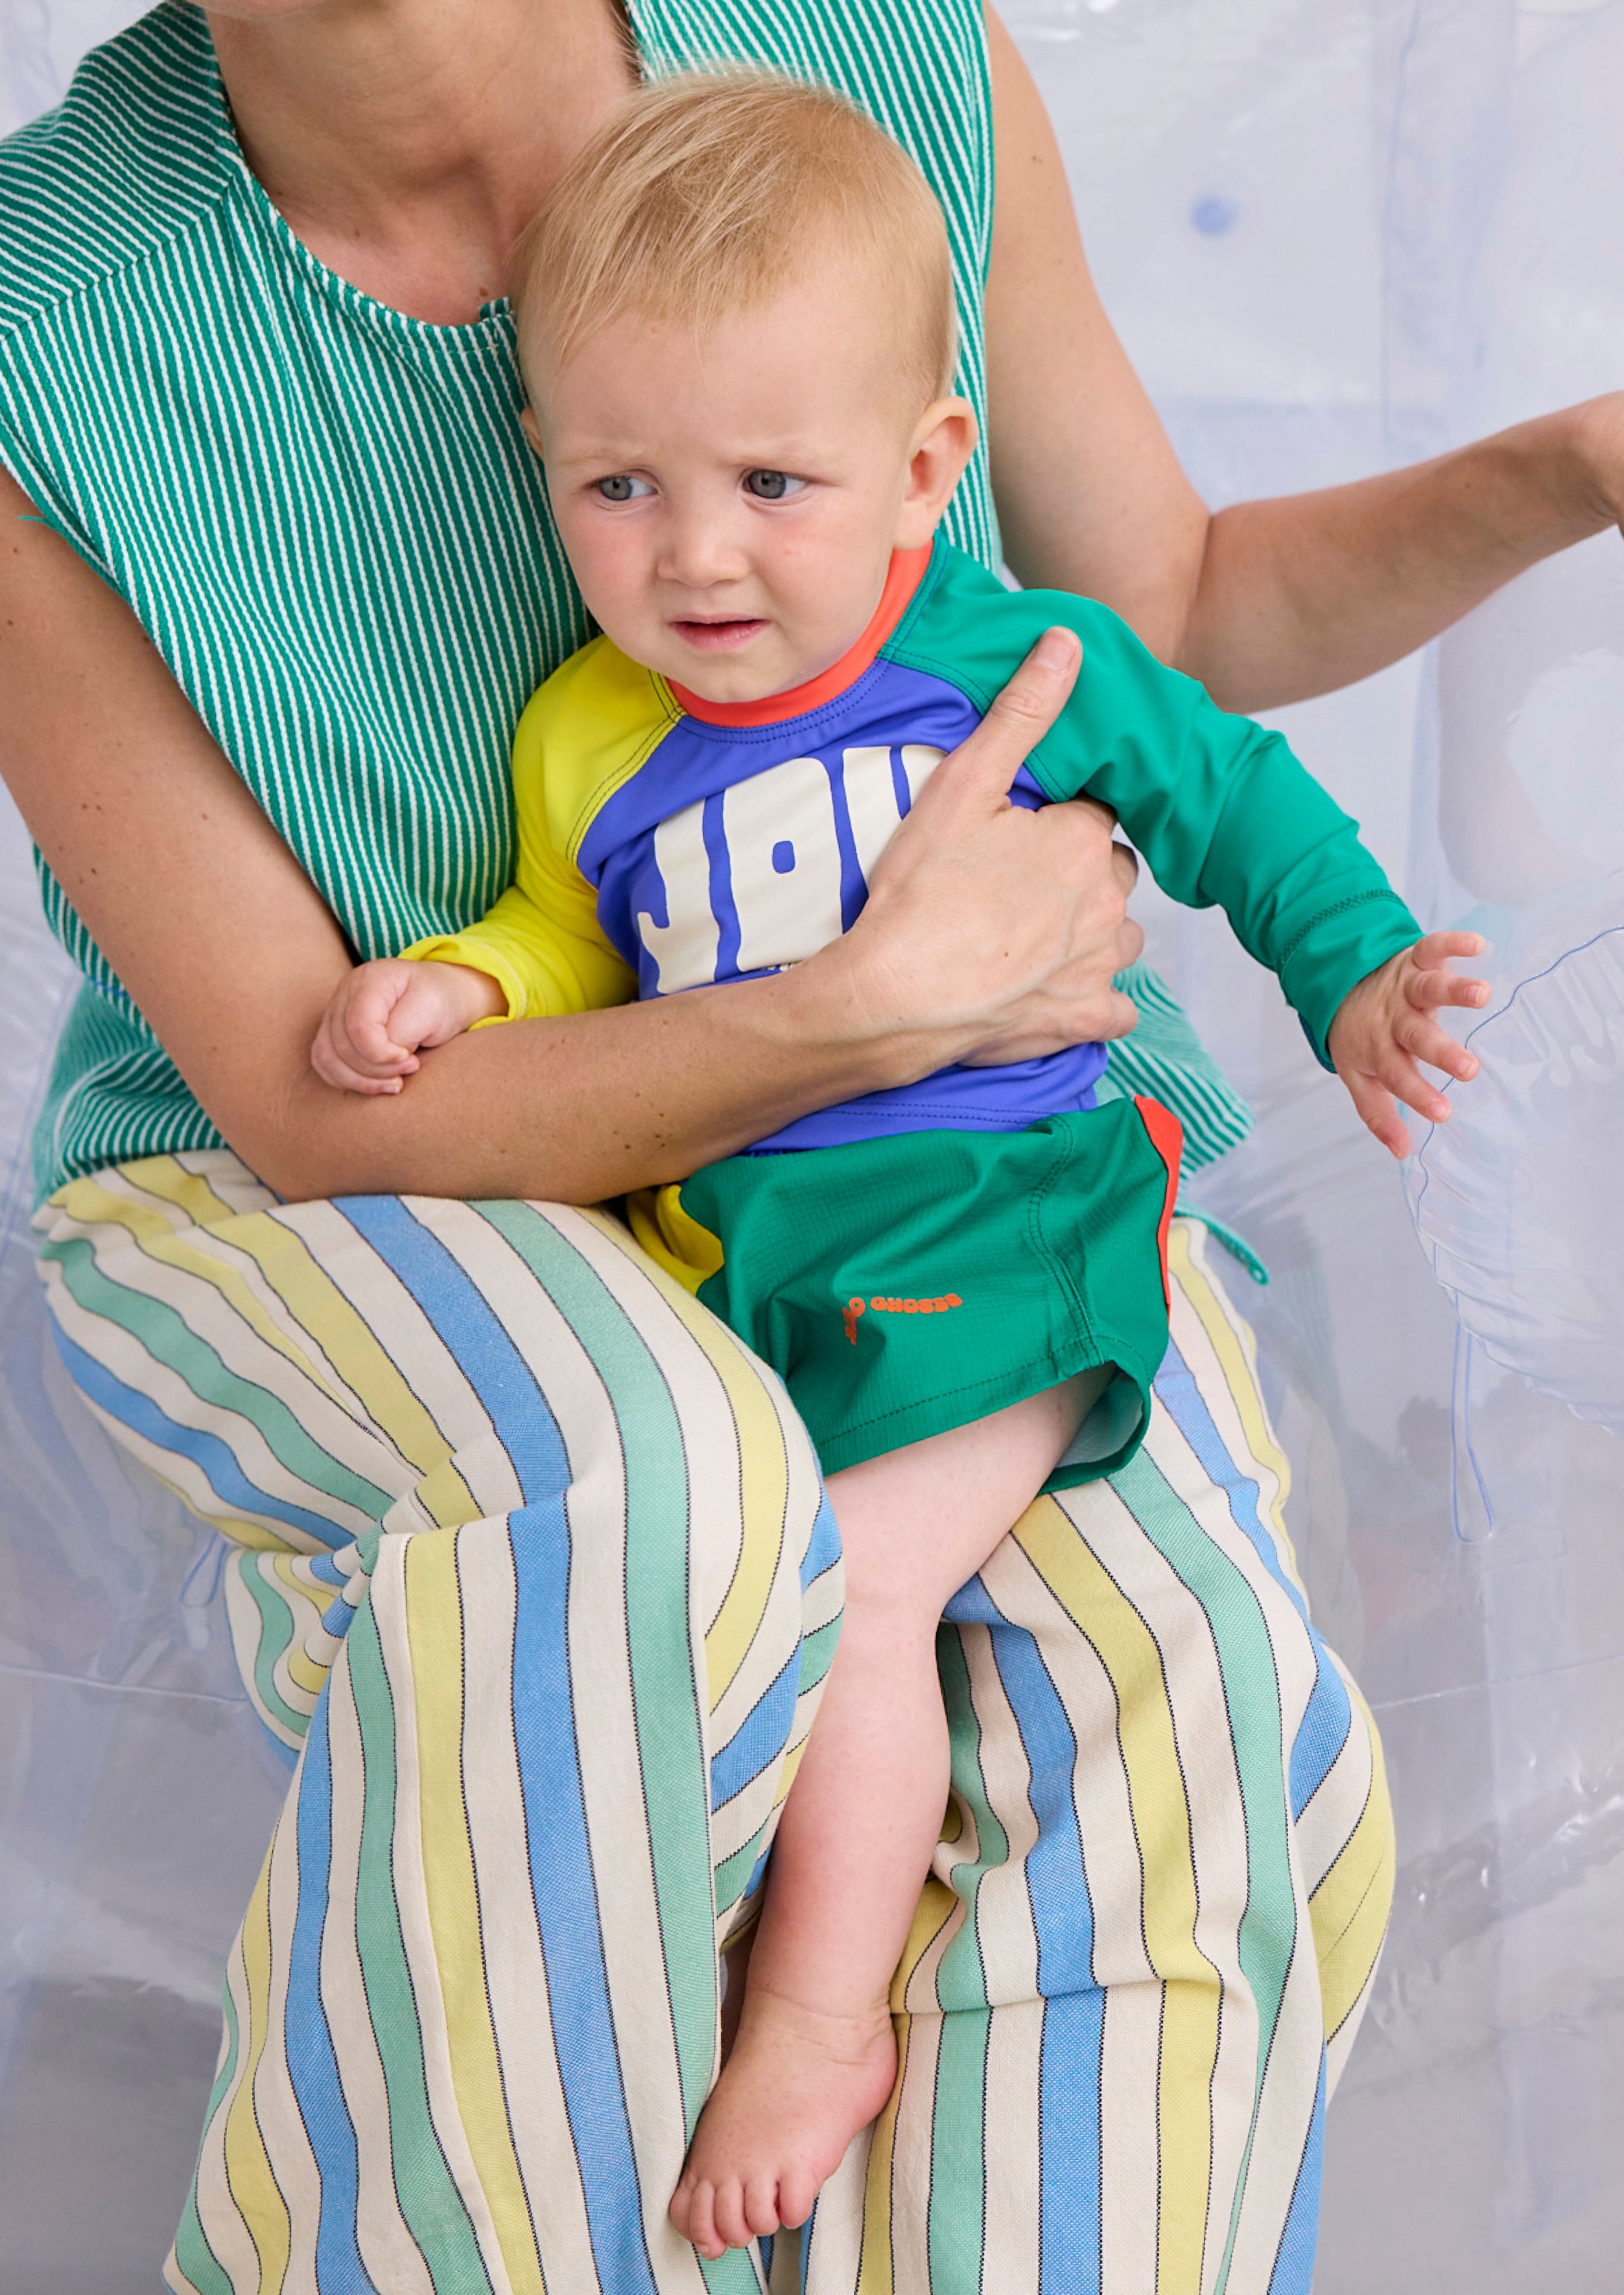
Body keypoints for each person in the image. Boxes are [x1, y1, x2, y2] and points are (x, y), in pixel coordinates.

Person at [0, 3, 1613, 2288]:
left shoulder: (884, 44)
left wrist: (1581, 464)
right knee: (627, 1484)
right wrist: (852, 1006)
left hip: (958, 1150)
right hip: (346, 1155)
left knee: (1168, 1662)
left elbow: (1162, 624)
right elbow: (317, 1091)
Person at [308, 75, 1489, 2257]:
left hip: (1007, 1239)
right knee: (689, 1599)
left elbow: (1230, 798)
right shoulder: (588, 727)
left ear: (928, 471)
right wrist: (462, 991)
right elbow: (577, 941)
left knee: (855, 1598)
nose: (696, 553)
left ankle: (816, 2026)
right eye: (617, 485)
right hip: (768, 1267)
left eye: (773, 481)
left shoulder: (1006, 668)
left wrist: (1355, 978)